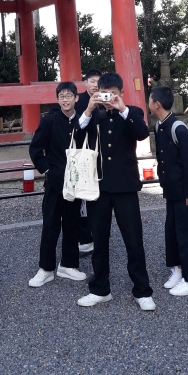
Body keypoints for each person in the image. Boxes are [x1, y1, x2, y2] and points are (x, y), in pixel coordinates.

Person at [77, 72, 155, 311]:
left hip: (126, 186)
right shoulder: (92, 115)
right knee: (99, 241)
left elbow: (142, 133)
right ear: (97, 92)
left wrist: (122, 109)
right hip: (98, 187)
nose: (108, 98)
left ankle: (142, 290)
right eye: (104, 93)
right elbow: (76, 135)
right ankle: (100, 289)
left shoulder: (132, 112)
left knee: (133, 240)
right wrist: (89, 110)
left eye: (113, 93)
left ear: (121, 93)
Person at [28, 82, 87, 288]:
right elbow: (36, 149)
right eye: (61, 96)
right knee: (50, 225)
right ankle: (45, 269)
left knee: (72, 224)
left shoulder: (82, 121)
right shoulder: (49, 121)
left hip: (75, 182)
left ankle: (69, 265)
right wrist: (47, 170)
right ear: (58, 99)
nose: (65, 99)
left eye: (69, 95)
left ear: (76, 98)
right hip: (55, 182)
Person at [149, 86, 188, 297]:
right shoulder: (159, 125)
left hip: (185, 192)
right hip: (172, 190)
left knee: (187, 235)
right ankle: (178, 270)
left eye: (150, 100)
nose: (148, 103)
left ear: (157, 104)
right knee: (172, 231)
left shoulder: (178, 128)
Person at [75, 69, 102, 254]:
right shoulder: (79, 101)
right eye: (92, 81)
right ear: (85, 83)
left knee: (98, 199)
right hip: (82, 156)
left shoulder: (106, 100)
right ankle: (84, 236)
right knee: (82, 198)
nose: (95, 85)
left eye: (98, 82)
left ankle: (97, 233)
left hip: (101, 157)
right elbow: (75, 127)